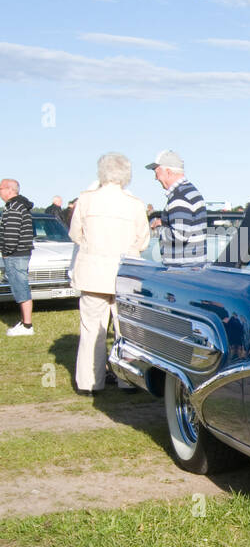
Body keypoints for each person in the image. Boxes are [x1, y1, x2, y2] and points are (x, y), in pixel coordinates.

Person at [68, 153, 150, 394]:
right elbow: (143, 241)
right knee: (127, 329)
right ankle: (128, 379)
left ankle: (90, 382)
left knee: (91, 328)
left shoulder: (86, 199)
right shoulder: (135, 204)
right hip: (125, 274)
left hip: (93, 273)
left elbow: (75, 234)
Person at [146, 150, 206, 263]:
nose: (156, 178)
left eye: (157, 173)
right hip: (193, 266)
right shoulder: (190, 191)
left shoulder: (179, 197)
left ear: (168, 172)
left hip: (181, 269)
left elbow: (180, 236)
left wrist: (157, 228)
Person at [0, 178, 36, 336]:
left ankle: (27, 326)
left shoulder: (14, 208)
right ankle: (24, 322)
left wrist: (6, 252)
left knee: (21, 288)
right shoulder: (19, 206)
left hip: (15, 255)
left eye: (1, 188)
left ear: (9, 190)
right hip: (19, 254)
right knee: (21, 287)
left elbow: (11, 236)